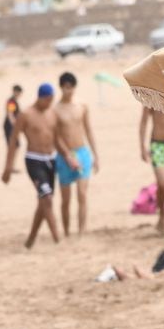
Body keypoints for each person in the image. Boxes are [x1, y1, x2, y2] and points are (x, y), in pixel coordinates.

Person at [2, 82, 62, 249]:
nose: (50, 103)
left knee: (43, 201)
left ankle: (31, 239)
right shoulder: (26, 114)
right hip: (34, 160)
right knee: (47, 199)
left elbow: (57, 140)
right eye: (49, 100)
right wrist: (7, 168)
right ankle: (57, 240)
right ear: (42, 98)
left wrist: (68, 158)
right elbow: (14, 140)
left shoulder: (52, 114)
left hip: (51, 159)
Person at [54, 72, 99, 237]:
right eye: (66, 88)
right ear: (61, 88)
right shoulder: (55, 109)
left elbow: (88, 130)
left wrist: (96, 156)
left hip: (82, 152)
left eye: (71, 88)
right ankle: (66, 231)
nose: (69, 91)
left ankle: (82, 230)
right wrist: (67, 155)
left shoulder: (82, 105)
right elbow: (56, 136)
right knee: (66, 199)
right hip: (64, 155)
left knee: (82, 194)